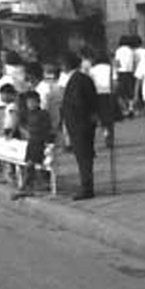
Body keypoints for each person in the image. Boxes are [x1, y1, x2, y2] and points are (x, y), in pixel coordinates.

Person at [58, 50, 102, 199]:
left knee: (84, 157)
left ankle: (87, 188)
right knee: (82, 157)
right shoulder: (78, 79)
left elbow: (83, 103)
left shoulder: (79, 80)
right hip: (78, 124)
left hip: (81, 125)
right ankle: (86, 185)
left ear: (66, 65)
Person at [14, 88, 53, 197]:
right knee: (29, 164)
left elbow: (47, 129)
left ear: (38, 102)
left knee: (30, 164)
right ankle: (28, 186)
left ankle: (25, 186)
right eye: (28, 102)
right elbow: (21, 124)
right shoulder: (27, 114)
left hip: (39, 142)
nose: (30, 104)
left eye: (33, 102)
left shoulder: (43, 114)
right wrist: (26, 131)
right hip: (31, 142)